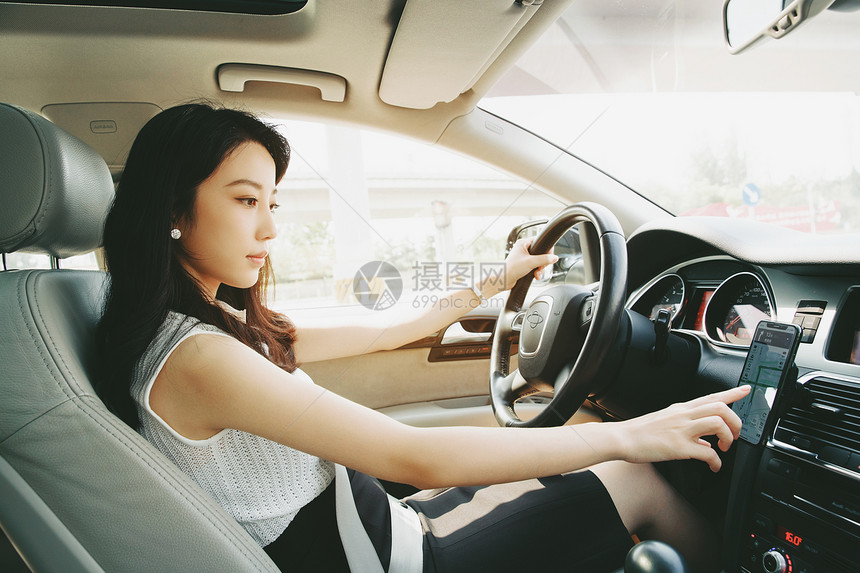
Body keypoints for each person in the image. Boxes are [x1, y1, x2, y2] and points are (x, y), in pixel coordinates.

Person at [96, 102, 750, 573]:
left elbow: (390, 330)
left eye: (274, 203)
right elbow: (414, 457)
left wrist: (502, 276)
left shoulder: (218, 329)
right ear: (174, 208)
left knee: (583, 458)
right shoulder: (200, 357)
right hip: (390, 557)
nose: (270, 228)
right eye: (245, 201)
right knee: (630, 471)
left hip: (381, 527)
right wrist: (638, 431)